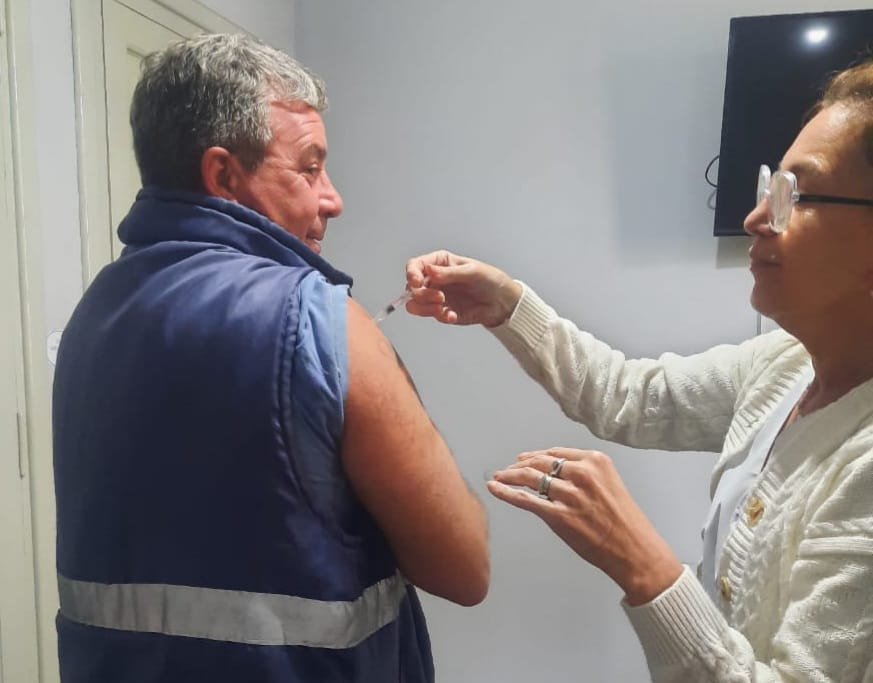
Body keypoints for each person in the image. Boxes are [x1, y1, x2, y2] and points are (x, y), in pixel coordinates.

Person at [404, 58, 873, 681]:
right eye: (770, 187)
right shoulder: (785, 366)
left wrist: (640, 562)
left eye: (796, 195)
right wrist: (507, 304)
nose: (756, 219)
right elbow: (627, 395)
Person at [52, 34, 488, 683]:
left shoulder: (93, 315)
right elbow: (464, 568)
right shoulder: (320, 320)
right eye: (309, 169)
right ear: (224, 176)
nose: (332, 198)